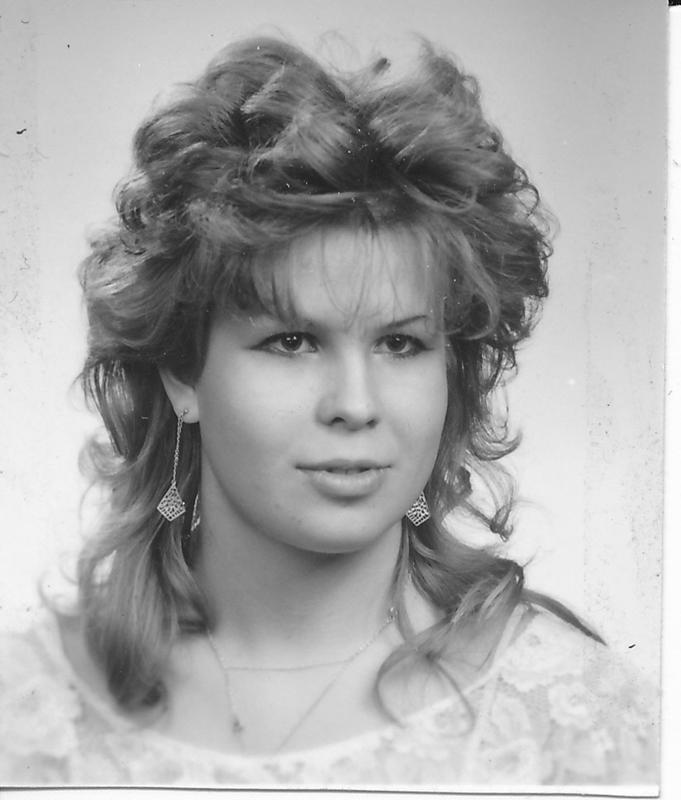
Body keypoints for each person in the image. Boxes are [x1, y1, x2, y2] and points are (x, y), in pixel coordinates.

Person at [0, 36, 657, 787]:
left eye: (401, 344)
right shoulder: (25, 710)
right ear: (183, 372)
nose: (355, 404)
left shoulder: (581, 725)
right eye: (292, 341)